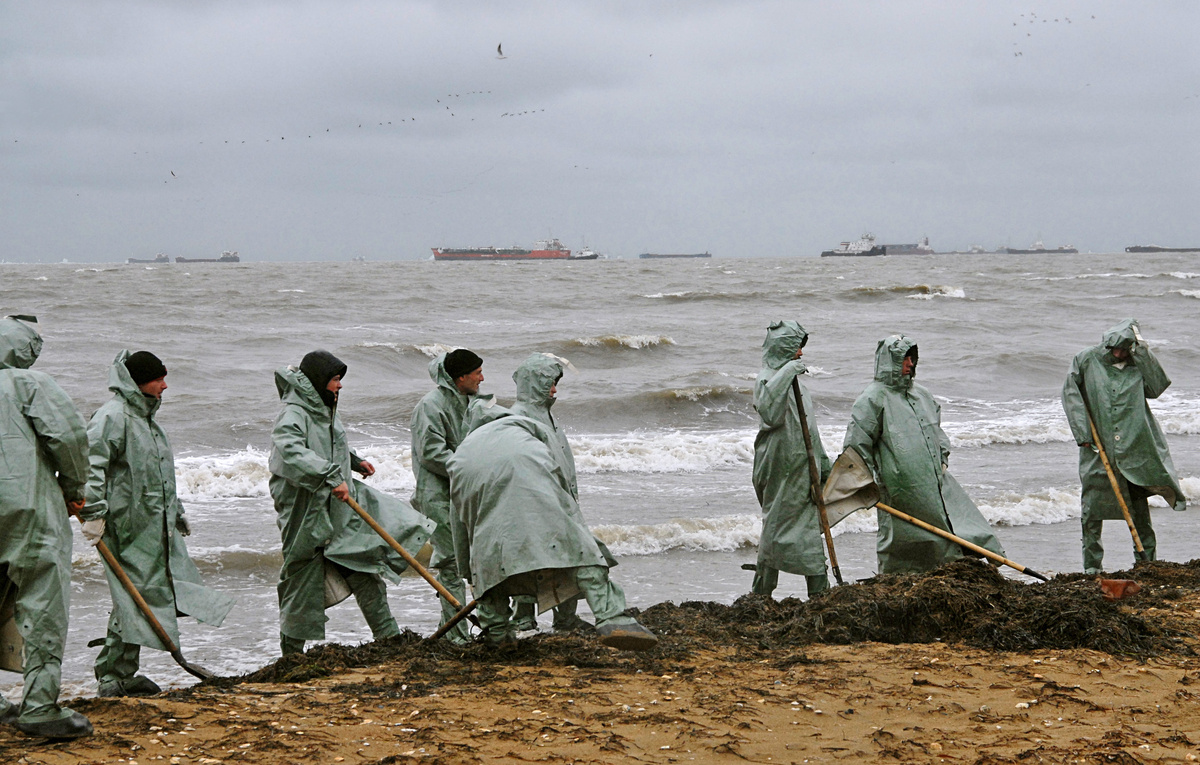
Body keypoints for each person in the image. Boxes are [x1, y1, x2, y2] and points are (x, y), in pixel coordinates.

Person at [82, 351, 235, 697]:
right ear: (138, 382)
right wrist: (93, 515)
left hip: (155, 526)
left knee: (143, 596)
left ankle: (120, 672)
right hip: (124, 526)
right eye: (158, 379)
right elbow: (91, 469)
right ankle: (111, 677)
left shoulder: (149, 421)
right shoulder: (111, 418)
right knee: (131, 597)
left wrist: (176, 510)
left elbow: (161, 475)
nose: (165, 385)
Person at [447, 407, 657, 650]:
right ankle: (612, 619)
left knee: (491, 578)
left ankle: (498, 636)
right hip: (541, 504)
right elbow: (561, 475)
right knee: (582, 555)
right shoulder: (527, 429)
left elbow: (460, 521)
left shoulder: (460, 455)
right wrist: (574, 524)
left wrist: (470, 572)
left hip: (493, 537)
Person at [271, 350, 434, 655]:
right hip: (305, 510)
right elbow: (292, 452)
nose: (340, 386)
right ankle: (290, 657)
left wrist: (354, 462)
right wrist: (331, 476)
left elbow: (329, 446)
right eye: (335, 380)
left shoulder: (324, 407)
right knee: (302, 582)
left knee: (364, 564)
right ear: (320, 381)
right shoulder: (293, 414)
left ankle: (390, 641)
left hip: (337, 505)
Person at [0, 315, 92, 738]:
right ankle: (39, 706)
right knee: (42, 601)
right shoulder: (28, 384)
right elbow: (68, 437)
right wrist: (75, 488)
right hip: (28, 508)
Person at [844, 335, 1005, 574]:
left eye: (912, 358)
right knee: (902, 539)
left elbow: (936, 431)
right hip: (898, 488)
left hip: (935, 481)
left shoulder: (922, 395)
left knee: (955, 526)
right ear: (889, 361)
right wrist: (864, 485)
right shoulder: (871, 399)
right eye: (903, 358)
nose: (910, 363)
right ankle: (896, 580)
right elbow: (856, 447)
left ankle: (953, 573)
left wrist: (942, 459)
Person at [1061, 319, 1186, 573]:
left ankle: (1146, 562)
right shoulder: (1086, 360)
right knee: (1092, 510)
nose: (1119, 353)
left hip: (1135, 445)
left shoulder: (1139, 364)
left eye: (1126, 348)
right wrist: (1082, 433)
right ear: (1106, 344)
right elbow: (1070, 393)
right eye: (1115, 349)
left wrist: (1143, 353)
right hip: (1097, 448)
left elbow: (1157, 387)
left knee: (1138, 506)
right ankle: (1092, 568)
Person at [508, 353, 609, 632]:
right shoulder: (519, 418)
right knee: (530, 560)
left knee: (570, 555)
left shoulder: (546, 415)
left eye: (555, 383)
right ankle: (523, 618)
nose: (554, 390)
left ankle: (565, 618)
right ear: (535, 383)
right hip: (536, 501)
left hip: (561, 499)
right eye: (550, 383)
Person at [750, 321, 832, 599]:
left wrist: (824, 467)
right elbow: (770, 413)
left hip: (804, 471)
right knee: (775, 528)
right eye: (796, 348)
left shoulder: (800, 387)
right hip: (779, 471)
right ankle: (761, 594)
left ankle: (820, 594)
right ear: (784, 349)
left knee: (809, 530)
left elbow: (811, 431)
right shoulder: (766, 379)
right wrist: (787, 371)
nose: (800, 354)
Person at [409, 348, 485, 644]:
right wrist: (468, 469)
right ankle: (455, 635)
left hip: (464, 491)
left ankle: (452, 629)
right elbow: (431, 454)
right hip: (437, 495)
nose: (482, 377)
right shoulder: (431, 406)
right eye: (477, 372)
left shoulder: (471, 402)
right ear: (460, 377)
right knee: (451, 563)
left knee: (473, 560)